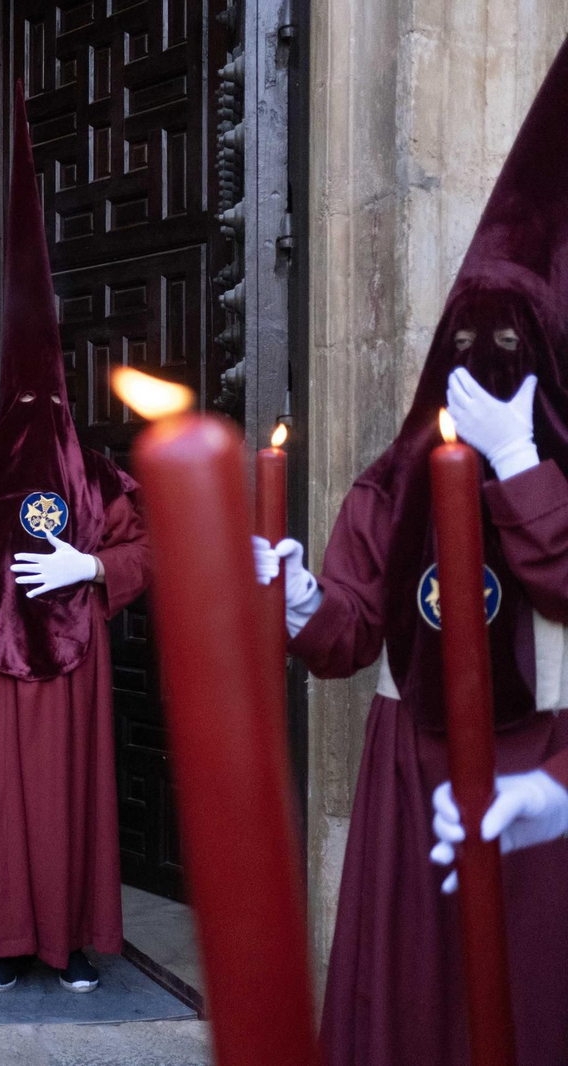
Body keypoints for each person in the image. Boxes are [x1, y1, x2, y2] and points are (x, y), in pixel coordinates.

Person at [262, 41, 568, 1066]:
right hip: (413, 766)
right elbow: (351, 629)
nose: (482, 370)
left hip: (542, 762)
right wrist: (303, 600)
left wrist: (521, 464)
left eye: (511, 349)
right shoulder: (393, 483)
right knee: (419, 998)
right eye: (465, 347)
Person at [0, 96, 151, 994]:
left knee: (68, 803)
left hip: (75, 666)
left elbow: (147, 551)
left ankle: (71, 941)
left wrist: (93, 565)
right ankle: (8, 942)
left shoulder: (95, 469)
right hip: (1, 666)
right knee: (6, 804)